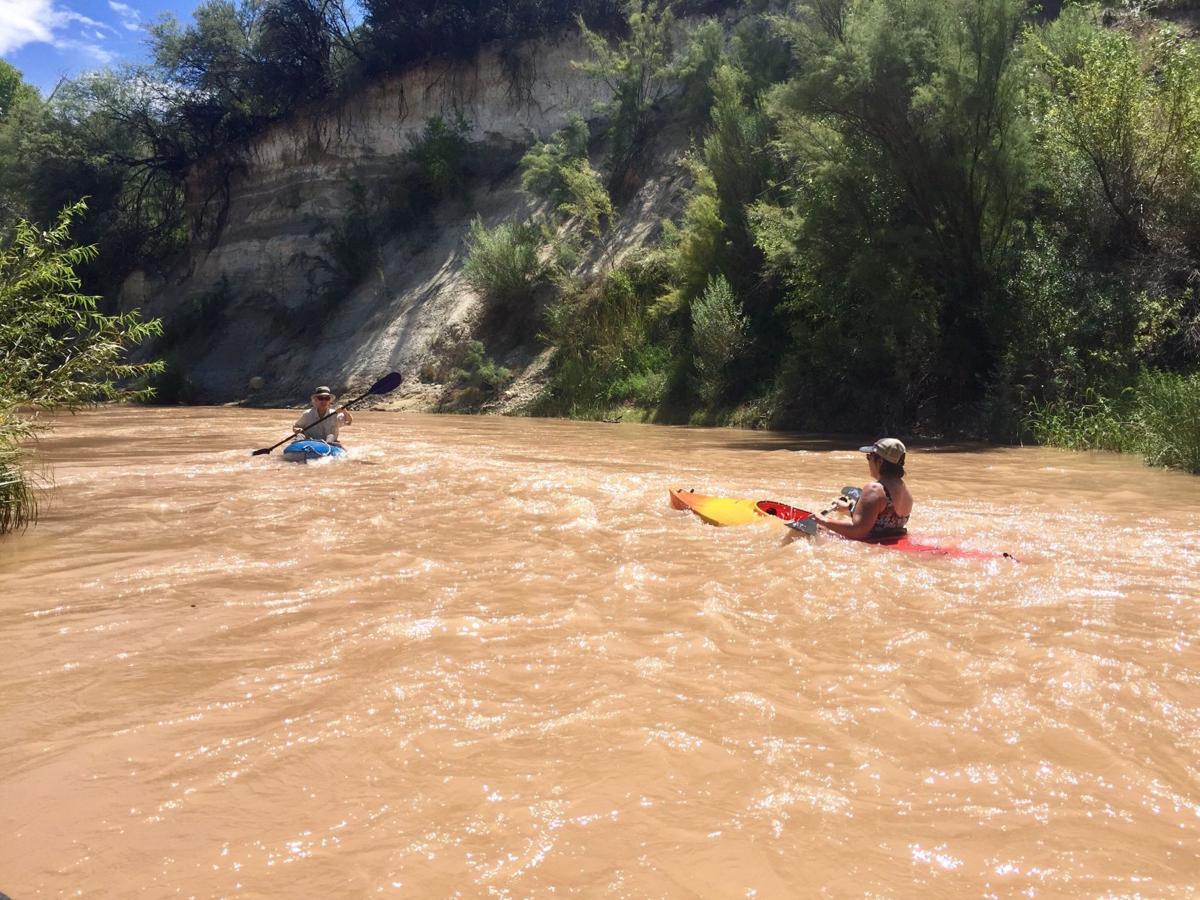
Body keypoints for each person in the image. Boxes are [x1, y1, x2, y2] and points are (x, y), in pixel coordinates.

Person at [814, 438, 912, 540]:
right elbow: (883, 517)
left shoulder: (874, 489)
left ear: (879, 461)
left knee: (820, 529)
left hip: (870, 543)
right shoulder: (905, 490)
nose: (868, 461)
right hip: (888, 539)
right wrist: (849, 508)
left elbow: (857, 531)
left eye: (869, 457)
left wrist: (823, 520)